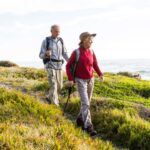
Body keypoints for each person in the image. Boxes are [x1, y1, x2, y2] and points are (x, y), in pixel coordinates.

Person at [66, 32, 104, 136]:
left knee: (86, 103)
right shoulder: (76, 52)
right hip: (80, 80)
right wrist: (70, 79)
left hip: (91, 79)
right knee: (86, 103)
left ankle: (79, 119)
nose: (91, 41)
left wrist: (100, 74)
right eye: (89, 39)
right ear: (83, 40)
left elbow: (95, 64)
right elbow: (68, 66)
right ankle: (88, 126)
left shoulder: (91, 51)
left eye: (92, 40)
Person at [39, 24, 68, 106]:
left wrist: (69, 61)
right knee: (53, 85)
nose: (58, 33)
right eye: (56, 31)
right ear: (51, 31)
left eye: (59, 31)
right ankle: (55, 105)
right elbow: (40, 55)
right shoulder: (46, 41)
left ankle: (49, 96)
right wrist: (46, 53)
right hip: (50, 65)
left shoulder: (61, 41)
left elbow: (64, 53)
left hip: (59, 66)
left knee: (60, 86)